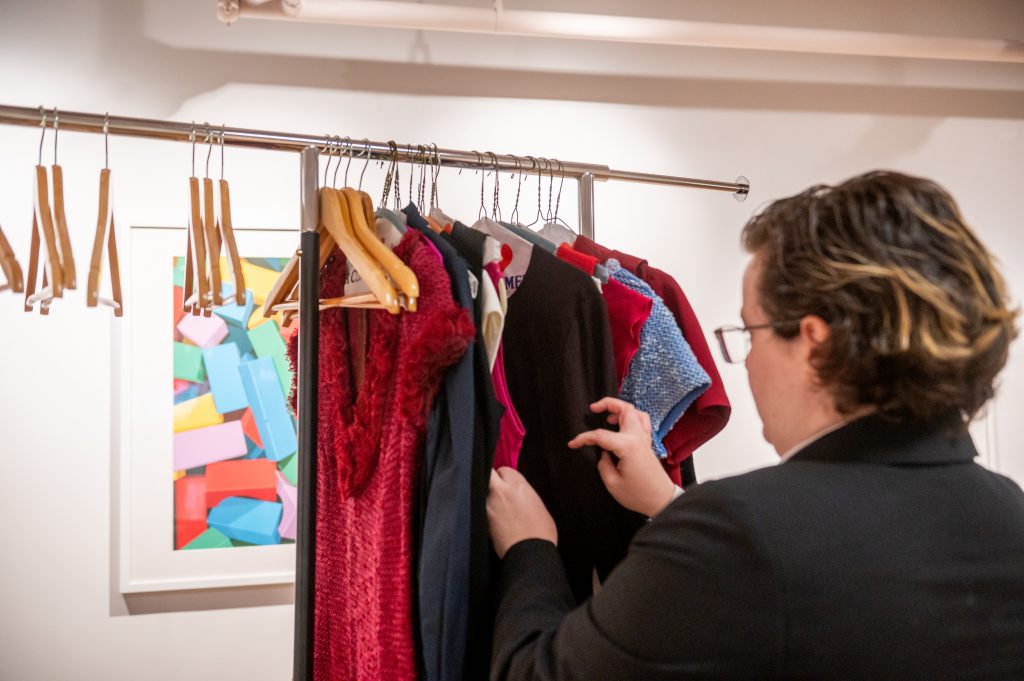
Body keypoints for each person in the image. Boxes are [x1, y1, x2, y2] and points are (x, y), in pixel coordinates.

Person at [486, 170, 1024, 680]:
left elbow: (537, 672)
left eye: (749, 332)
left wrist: (531, 549)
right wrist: (668, 504)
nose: (746, 360)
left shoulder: (739, 535)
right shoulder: (1009, 513)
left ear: (814, 342)